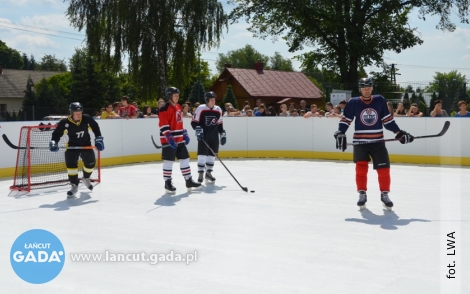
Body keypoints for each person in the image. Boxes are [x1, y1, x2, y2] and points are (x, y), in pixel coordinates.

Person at [334, 78, 414, 209]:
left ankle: (384, 194)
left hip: (378, 142)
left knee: (384, 170)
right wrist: (340, 132)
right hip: (360, 142)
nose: (366, 90)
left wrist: (399, 133)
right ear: (360, 89)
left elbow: (387, 120)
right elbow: (346, 119)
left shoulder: (379, 100)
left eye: (368, 87)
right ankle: (362, 193)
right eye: (364, 87)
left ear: (372, 88)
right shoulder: (353, 102)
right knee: (361, 168)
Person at [49, 102, 104, 198]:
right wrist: (54, 142)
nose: (79, 114)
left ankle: (86, 178)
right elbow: (56, 134)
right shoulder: (64, 122)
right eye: (76, 113)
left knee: (91, 164)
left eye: (80, 112)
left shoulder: (86, 118)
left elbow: (95, 127)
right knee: (71, 167)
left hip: (86, 145)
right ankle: (74, 185)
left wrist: (99, 138)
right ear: (71, 112)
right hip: (71, 147)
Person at [159, 87, 201, 193]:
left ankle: (188, 180)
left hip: (179, 139)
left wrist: (184, 132)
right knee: (168, 161)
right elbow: (163, 125)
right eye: (175, 95)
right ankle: (167, 182)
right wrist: (169, 138)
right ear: (169, 96)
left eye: (178, 95)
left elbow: (179, 123)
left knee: (185, 159)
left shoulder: (178, 107)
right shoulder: (164, 108)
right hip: (169, 141)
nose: (177, 97)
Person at [191, 91, 226, 183]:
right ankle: (201, 173)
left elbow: (219, 124)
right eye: (211, 100)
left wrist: (222, 133)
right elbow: (194, 122)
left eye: (214, 99)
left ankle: (208, 173)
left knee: (212, 155)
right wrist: (197, 129)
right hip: (204, 136)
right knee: (202, 155)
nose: (213, 101)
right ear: (206, 100)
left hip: (214, 137)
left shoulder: (218, 109)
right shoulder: (201, 108)